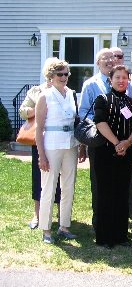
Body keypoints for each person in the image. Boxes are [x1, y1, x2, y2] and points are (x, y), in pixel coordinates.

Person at [35, 59, 80, 244]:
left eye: (66, 74)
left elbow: (75, 121)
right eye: (59, 74)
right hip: (51, 145)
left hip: (71, 144)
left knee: (68, 186)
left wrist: (81, 145)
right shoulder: (44, 96)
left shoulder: (71, 94)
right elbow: (38, 128)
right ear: (51, 76)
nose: (63, 77)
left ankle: (64, 226)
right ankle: (46, 229)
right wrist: (41, 155)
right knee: (49, 187)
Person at [93, 65, 132, 248]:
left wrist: (127, 142)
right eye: (117, 77)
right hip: (105, 152)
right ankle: (105, 237)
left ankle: (121, 235)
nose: (121, 81)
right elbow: (100, 123)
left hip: (126, 152)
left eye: (124, 78)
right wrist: (116, 143)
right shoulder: (102, 99)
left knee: (122, 193)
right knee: (105, 193)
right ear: (110, 80)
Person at [19, 58, 61, 230]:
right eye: (55, 72)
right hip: (41, 140)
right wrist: (38, 109)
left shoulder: (65, 91)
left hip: (60, 141)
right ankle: (37, 214)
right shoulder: (37, 91)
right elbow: (23, 111)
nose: (59, 75)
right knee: (39, 177)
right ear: (48, 74)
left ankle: (59, 214)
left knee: (59, 179)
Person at [78, 48, 114, 229]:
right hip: (99, 141)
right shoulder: (90, 84)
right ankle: (99, 222)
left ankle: (116, 221)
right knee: (100, 182)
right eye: (105, 58)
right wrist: (101, 125)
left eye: (112, 58)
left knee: (118, 182)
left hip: (120, 141)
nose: (109, 61)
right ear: (98, 63)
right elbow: (83, 111)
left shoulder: (124, 81)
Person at [111, 46, 132, 220]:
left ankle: (130, 209)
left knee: (128, 176)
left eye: (119, 56)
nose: (115, 58)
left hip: (130, 138)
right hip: (107, 141)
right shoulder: (92, 84)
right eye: (111, 56)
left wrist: (128, 141)